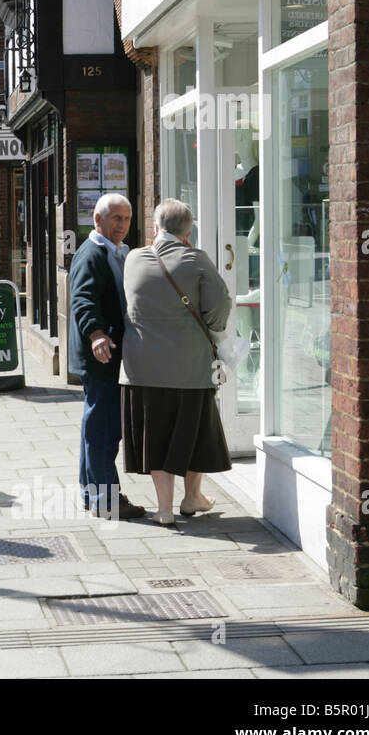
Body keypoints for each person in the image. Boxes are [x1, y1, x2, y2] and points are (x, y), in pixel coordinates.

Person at [121, 198, 233, 525]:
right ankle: (192, 497)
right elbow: (220, 307)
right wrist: (212, 328)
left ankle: (165, 509)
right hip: (190, 368)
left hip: (140, 368)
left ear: (155, 228)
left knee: (155, 437)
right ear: (188, 232)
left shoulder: (133, 258)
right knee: (193, 433)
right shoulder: (197, 259)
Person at [67, 193, 146, 521]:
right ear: (97, 220)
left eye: (127, 219)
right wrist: (97, 334)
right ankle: (107, 498)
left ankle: (92, 492)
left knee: (95, 424)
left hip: (106, 353)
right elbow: (83, 299)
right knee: (104, 428)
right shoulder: (92, 254)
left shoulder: (119, 251)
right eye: (116, 218)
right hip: (101, 355)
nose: (123, 225)